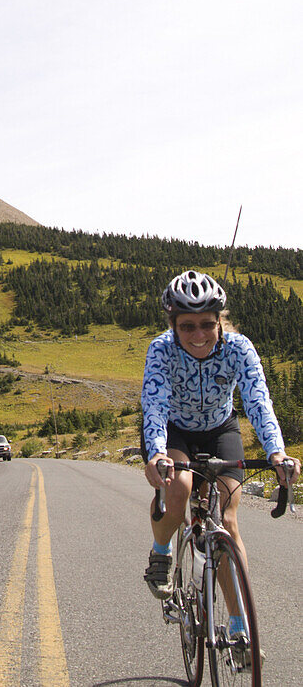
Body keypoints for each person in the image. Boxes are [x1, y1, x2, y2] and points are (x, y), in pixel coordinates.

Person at [141, 269, 300, 654]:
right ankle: (161, 552)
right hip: (175, 431)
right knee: (178, 487)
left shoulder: (239, 348)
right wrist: (157, 452)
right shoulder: (161, 349)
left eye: (207, 325)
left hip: (220, 428)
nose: (198, 335)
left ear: (220, 321)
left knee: (227, 520)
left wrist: (276, 452)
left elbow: (259, 401)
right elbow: (155, 404)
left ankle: (240, 626)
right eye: (187, 326)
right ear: (173, 324)